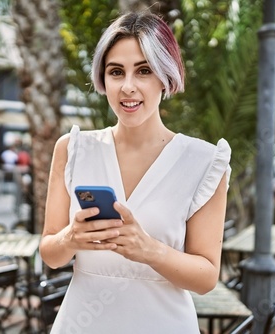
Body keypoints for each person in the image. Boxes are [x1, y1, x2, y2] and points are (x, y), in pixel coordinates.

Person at [40, 11, 232, 333]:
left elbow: (206, 277)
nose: (128, 87)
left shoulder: (204, 161)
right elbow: (51, 254)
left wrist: (149, 250)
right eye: (116, 72)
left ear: (165, 77)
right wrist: (71, 237)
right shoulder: (72, 149)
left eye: (143, 71)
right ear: (104, 79)